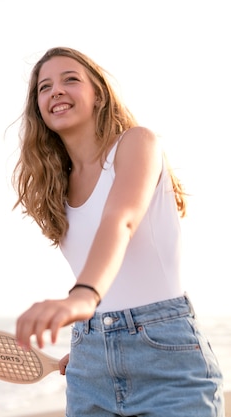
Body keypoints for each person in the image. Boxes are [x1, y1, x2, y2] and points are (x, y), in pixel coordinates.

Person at [12, 47, 224, 416]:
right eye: (44, 87)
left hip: (167, 360)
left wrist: (81, 299)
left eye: (70, 80)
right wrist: (99, 344)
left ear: (98, 95)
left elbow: (120, 221)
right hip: (90, 365)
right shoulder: (55, 188)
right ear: (38, 108)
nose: (55, 91)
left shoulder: (137, 144)